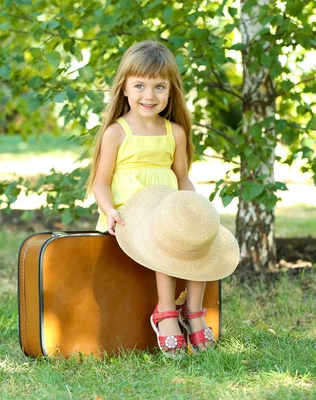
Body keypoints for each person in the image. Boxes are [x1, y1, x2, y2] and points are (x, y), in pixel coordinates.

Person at [85, 40, 215, 358]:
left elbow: (182, 177)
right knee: (165, 239)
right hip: (129, 216)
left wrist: (196, 212)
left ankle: (193, 311)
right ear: (124, 89)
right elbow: (100, 184)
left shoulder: (175, 133)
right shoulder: (116, 133)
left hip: (167, 210)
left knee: (200, 238)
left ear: (171, 91)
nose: (149, 95)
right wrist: (109, 210)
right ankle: (166, 312)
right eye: (140, 85)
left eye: (159, 87)